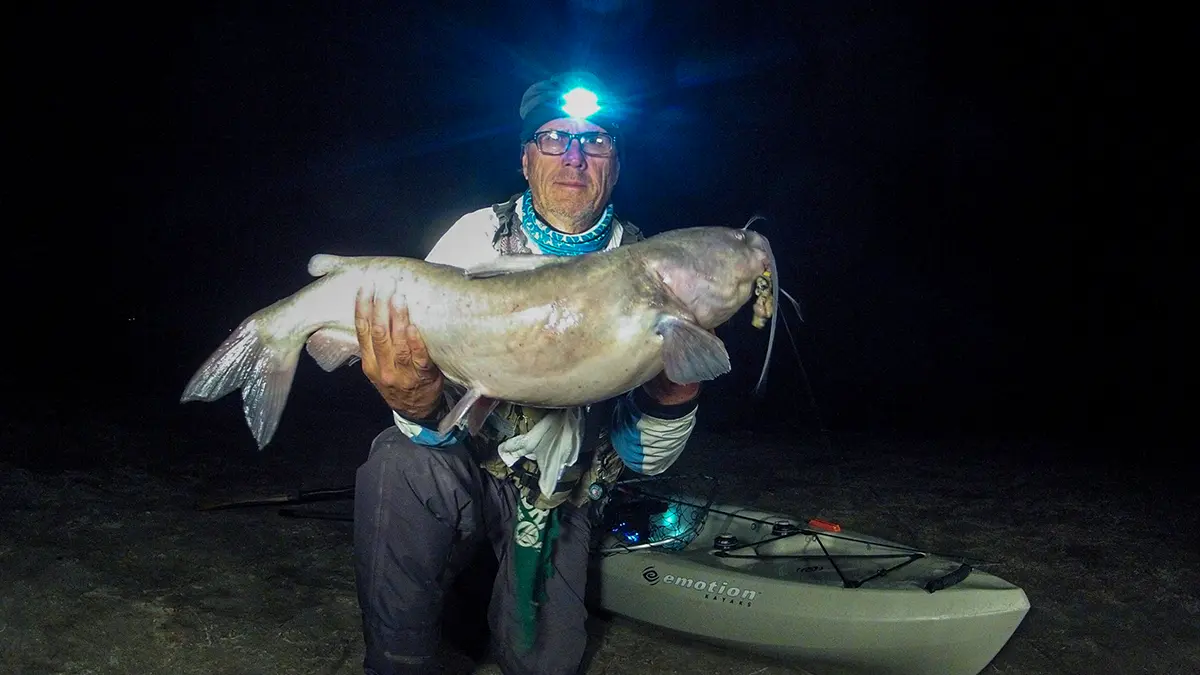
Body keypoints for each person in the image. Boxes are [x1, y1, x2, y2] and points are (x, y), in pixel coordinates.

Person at [350, 71, 702, 675]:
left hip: (564, 492)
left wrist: (675, 393)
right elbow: (425, 425)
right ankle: (399, 660)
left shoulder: (651, 268)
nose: (573, 156)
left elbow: (646, 460)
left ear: (615, 164)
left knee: (544, 660)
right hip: (469, 463)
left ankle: (502, 591)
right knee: (400, 463)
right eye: (553, 138)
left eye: (595, 141)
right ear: (525, 158)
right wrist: (415, 404)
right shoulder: (474, 238)